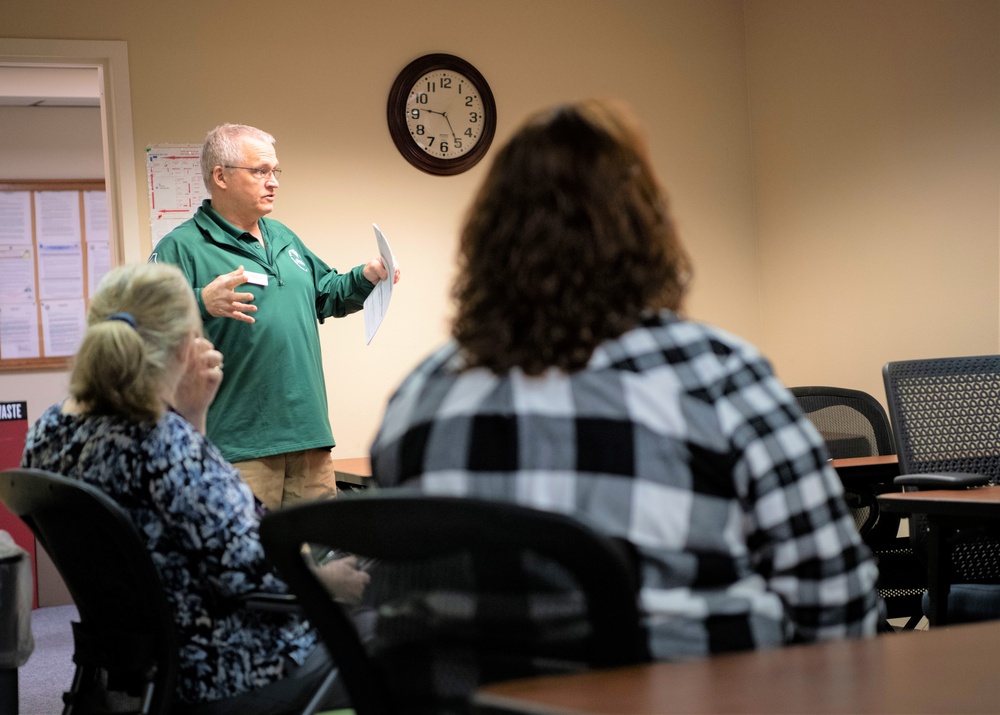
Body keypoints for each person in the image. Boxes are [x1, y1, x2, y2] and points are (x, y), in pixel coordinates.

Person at [369, 99, 882, 660]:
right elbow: (841, 608)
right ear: (647, 231)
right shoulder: (716, 376)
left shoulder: (418, 399)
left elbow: (397, 609)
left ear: (486, 239)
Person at [21, 262, 369, 708]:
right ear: (187, 343)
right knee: (390, 638)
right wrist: (330, 581)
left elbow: (187, 523)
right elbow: (254, 572)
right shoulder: (163, 442)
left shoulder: (47, 431)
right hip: (229, 666)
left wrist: (194, 417)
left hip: (136, 666)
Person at [149, 123, 398, 510]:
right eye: (260, 171)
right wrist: (200, 301)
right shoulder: (180, 248)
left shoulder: (283, 237)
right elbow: (141, 329)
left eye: (274, 171)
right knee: (249, 562)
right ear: (221, 177)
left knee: (320, 563)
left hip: (309, 438)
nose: (273, 182)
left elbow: (326, 295)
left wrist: (367, 276)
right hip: (238, 447)